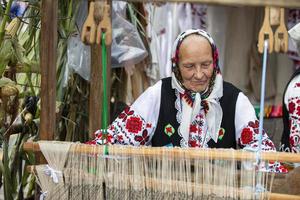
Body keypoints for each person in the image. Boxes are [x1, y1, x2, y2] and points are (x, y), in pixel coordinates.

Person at [87, 29, 286, 172]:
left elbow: (262, 156)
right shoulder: (159, 94)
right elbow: (117, 141)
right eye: (189, 66)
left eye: (206, 65)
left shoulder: (235, 100)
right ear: (176, 66)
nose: (199, 75)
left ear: (215, 61)